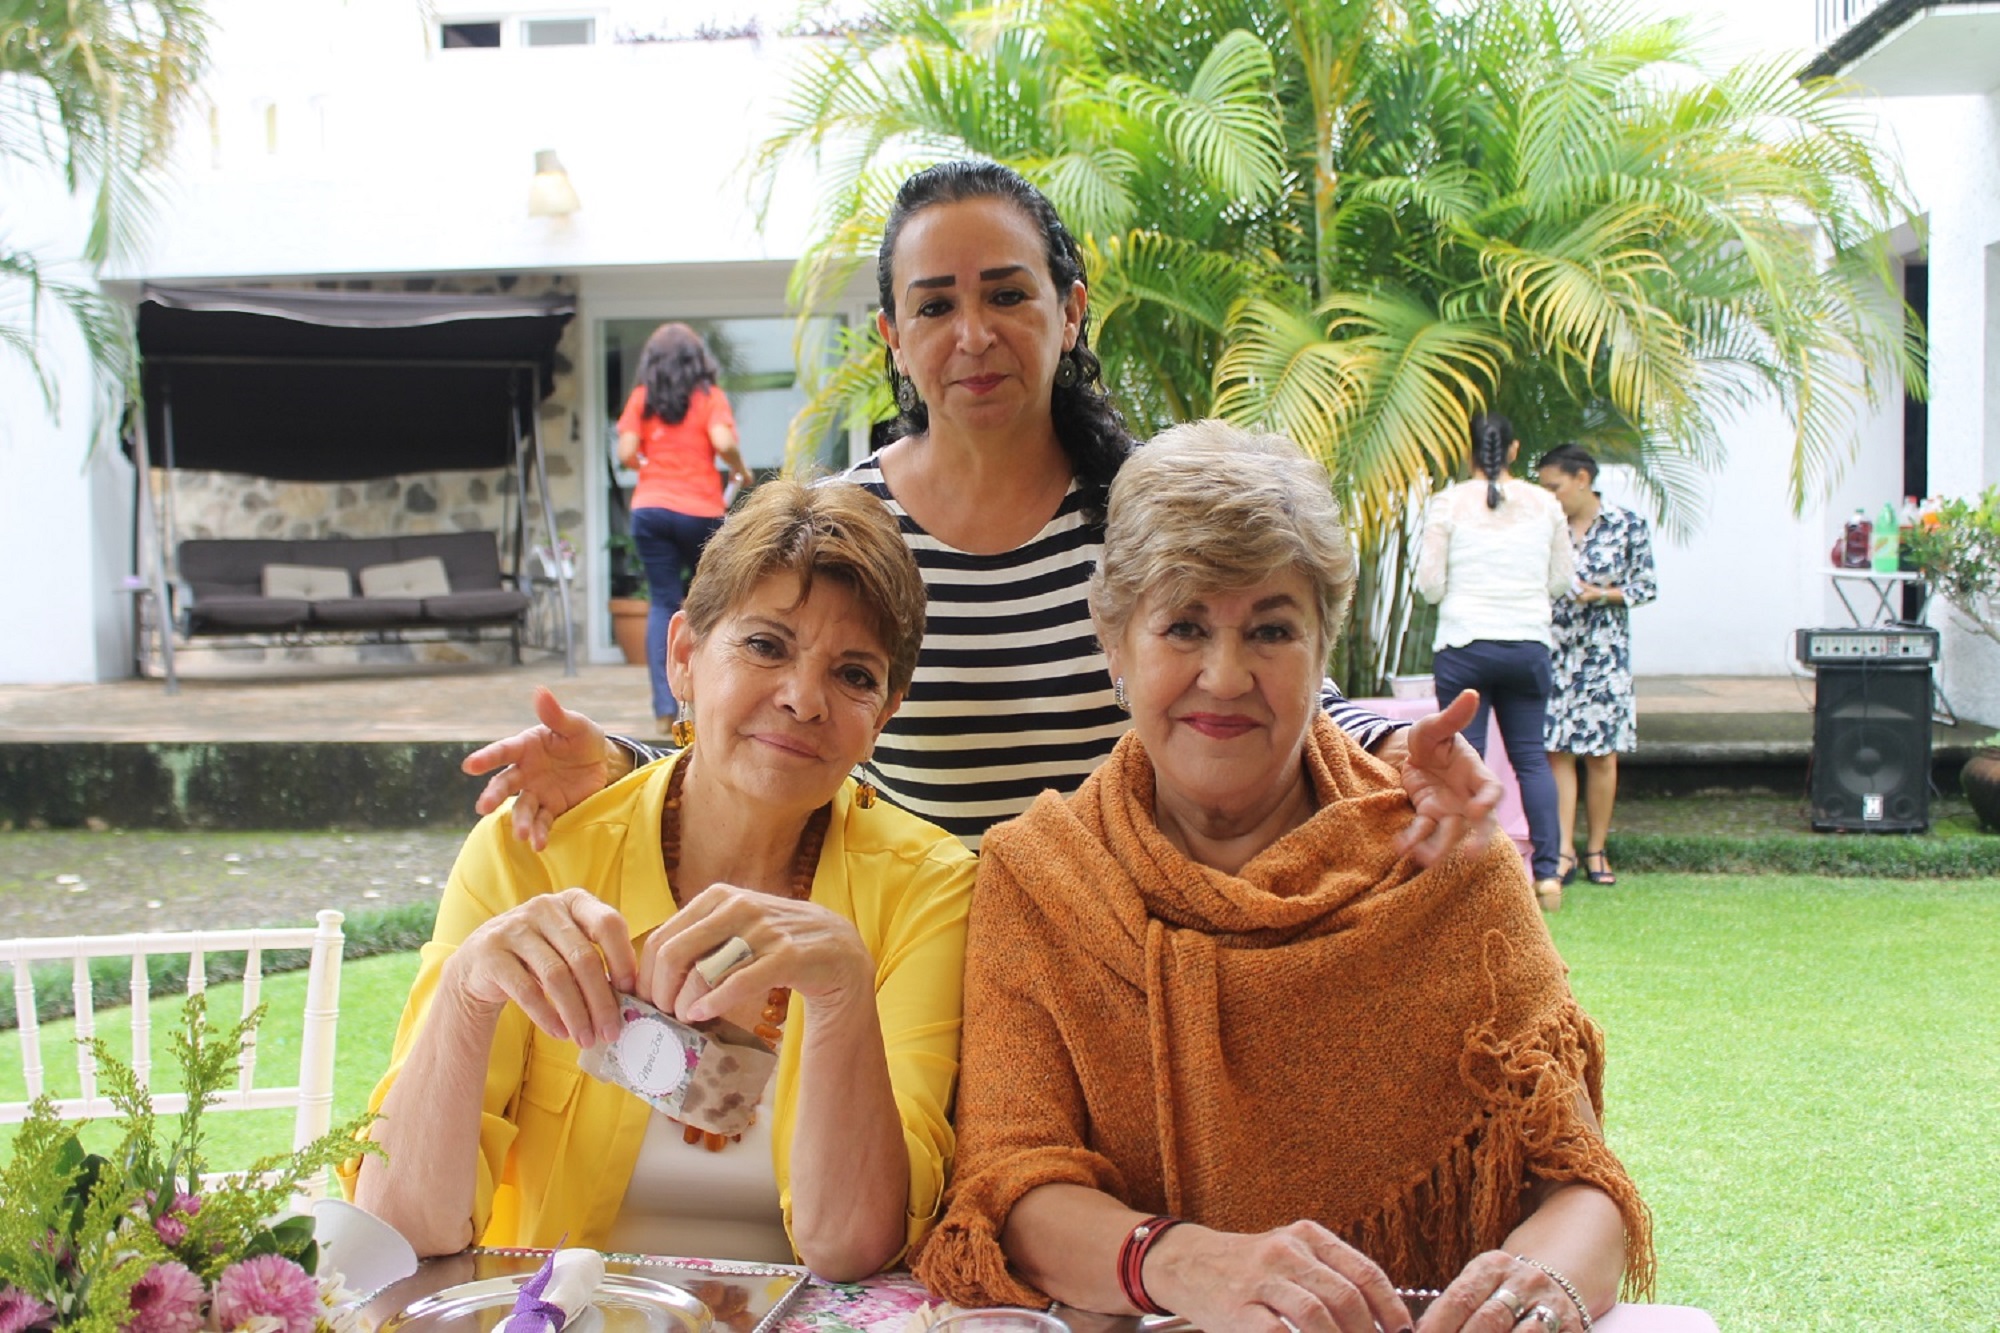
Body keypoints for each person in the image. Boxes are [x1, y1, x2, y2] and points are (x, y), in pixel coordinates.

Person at [467, 160, 1500, 862]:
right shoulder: (846, 527)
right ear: (891, 334)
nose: (972, 333)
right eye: (934, 304)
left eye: (1006, 294)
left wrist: (1392, 741)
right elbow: (766, 727)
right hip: (906, 976)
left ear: (1070, 307)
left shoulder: (1147, 511)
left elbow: (1265, 686)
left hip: (1124, 973)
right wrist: (613, 765)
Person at [912, 423, 1651, 1333]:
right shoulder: (1040, 875)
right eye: (1183, 625)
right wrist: (1186, 1261)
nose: (1224, 676)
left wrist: (1545, 1286)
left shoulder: (1447, 860)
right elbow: (1011, 1184)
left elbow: (1583, 1183)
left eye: (1270, 629)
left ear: (1322, 645)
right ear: (1115, 643)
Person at [344, 479, 974, 1281]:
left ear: (884, 713)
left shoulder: (930, 888)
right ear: (684, 655)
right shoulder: (535, 850)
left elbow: (852, 1244)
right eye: (766, 644)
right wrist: (470, 991)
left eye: (854, 674)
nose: (803, 698)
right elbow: (401, 1227)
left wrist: (843, 989)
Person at [1415, 412, 1575, 911]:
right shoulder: (1546, 503)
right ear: (1513, 450)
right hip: (1527, 643)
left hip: (1465, 644)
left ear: (1470, 453)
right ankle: (1548, 874)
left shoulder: (1448, 503)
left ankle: (1470, 871)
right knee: (1531, 758)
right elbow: (1560, 581)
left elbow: (1430, 584)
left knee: (1468, 758)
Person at [619, 322, 755, 734]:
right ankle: (702, 703)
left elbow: (626, 452)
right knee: (708, 603)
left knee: (663, 603)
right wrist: (740, 469)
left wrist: (650, 468)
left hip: (651, 509)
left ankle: (664, 708)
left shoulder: (642, 399)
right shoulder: (708, 398)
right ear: (698, 362)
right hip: (699, 510)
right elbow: (723, 442)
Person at [1536, 444, 1658, 888]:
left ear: (1582, 479)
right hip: (1556, 648)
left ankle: (1597, 848)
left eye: (1556, 486)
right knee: (1557, 751)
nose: (1550, 495)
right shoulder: (1547, 525)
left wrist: (1602, 594)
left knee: (1602, 755)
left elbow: (1645, 587)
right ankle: (1563, 848)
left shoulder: (1627, 525)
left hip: (1604, 654)